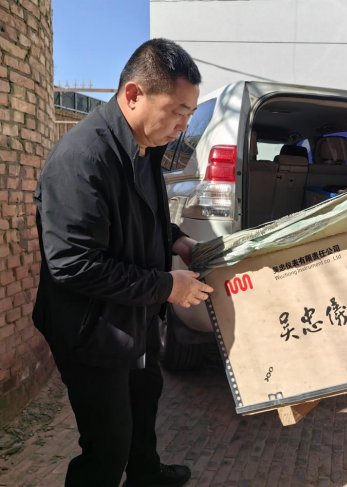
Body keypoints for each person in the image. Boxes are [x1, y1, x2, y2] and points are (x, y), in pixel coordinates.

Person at [33, 39, 214, 487]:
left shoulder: (143, 147)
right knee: (108, 443)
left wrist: (178, 240)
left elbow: (144, 217)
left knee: (144, 399)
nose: (183, 125)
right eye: (177, 111)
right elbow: (72, 262)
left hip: (134, 314)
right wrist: (167, 287)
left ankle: (146, 475)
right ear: (134, 95)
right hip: (91, 327)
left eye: (190, 113)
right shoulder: (82, 159)